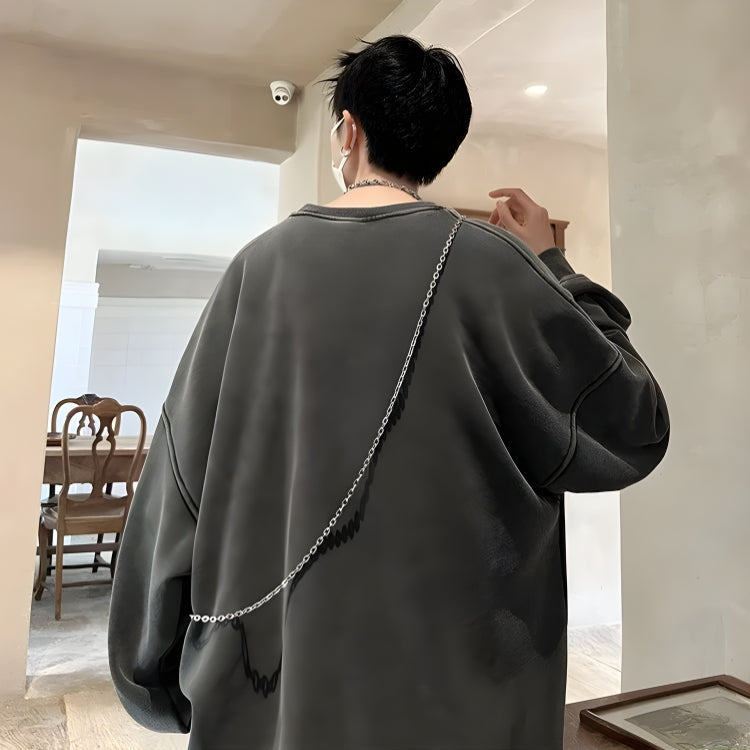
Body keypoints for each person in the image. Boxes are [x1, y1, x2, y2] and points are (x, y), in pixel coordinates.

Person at [109, 35, 669, 750]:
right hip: (467, 707)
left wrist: (151, 675)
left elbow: (181, 480)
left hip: (274, 697)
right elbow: (635, 423)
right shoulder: (497, 268)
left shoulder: (257, 269)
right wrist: (553, 264)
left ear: (348, 130)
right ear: (438, 151)